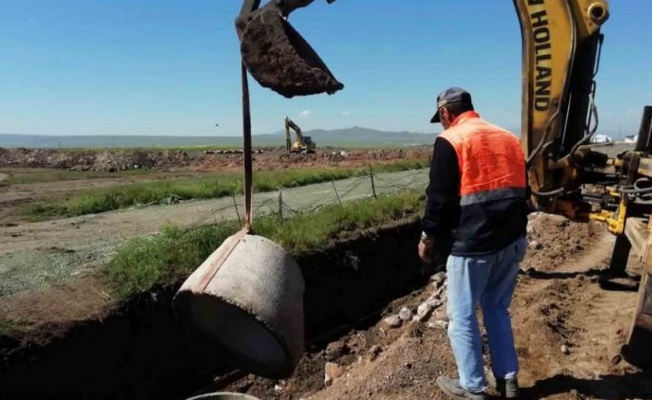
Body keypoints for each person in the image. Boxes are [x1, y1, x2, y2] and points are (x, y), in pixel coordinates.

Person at [418, 87, 529, 400]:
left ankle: (473, 387)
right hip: (511, 240)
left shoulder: (451, 140)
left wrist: (428, 237)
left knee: (463, 317)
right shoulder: (507, 137)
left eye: (440, 119)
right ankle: (508, 382)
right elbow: (524, 191)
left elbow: (438, 199)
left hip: (473, 246)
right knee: (496, 309)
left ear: (445, 113)